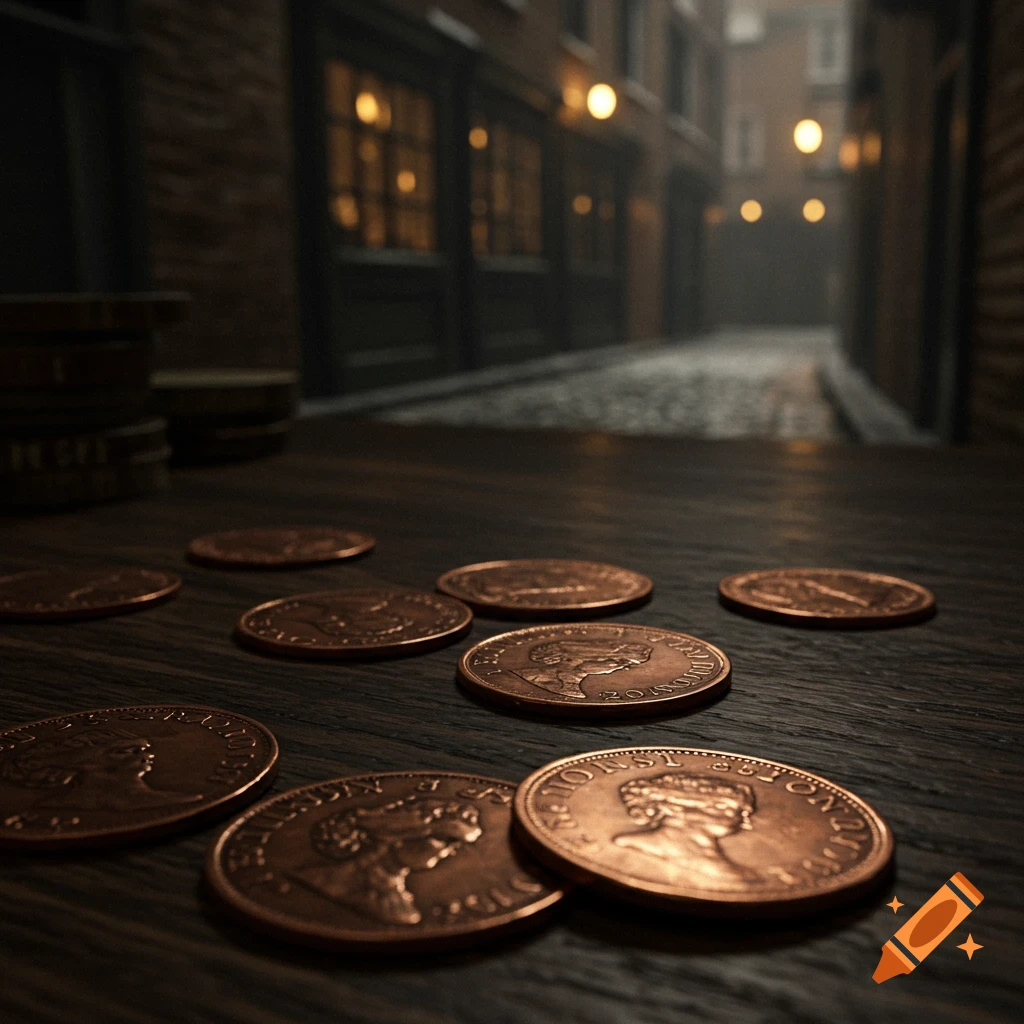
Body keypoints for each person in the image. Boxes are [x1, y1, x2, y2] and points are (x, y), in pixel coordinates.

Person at [292, 794, 483, 925]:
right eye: (444, 840)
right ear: (400, 835)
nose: (451, 850)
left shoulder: (400, 904)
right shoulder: (322, 879)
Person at [612, 772, 761, 889]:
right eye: (731, 810)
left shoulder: (746, 872)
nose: (746, 823)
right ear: (680, 807)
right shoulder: (631, 846)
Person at [2, 727, 204, 811]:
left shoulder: (175, 799)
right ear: (83, 762)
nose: (147, 756)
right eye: (127, 751)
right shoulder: (50, 807)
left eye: (142, 750)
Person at [510, 637, 652, 698]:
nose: (625, 667)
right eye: (620, 661)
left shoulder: (573, 688)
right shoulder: (525, 678)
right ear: (577, 658)